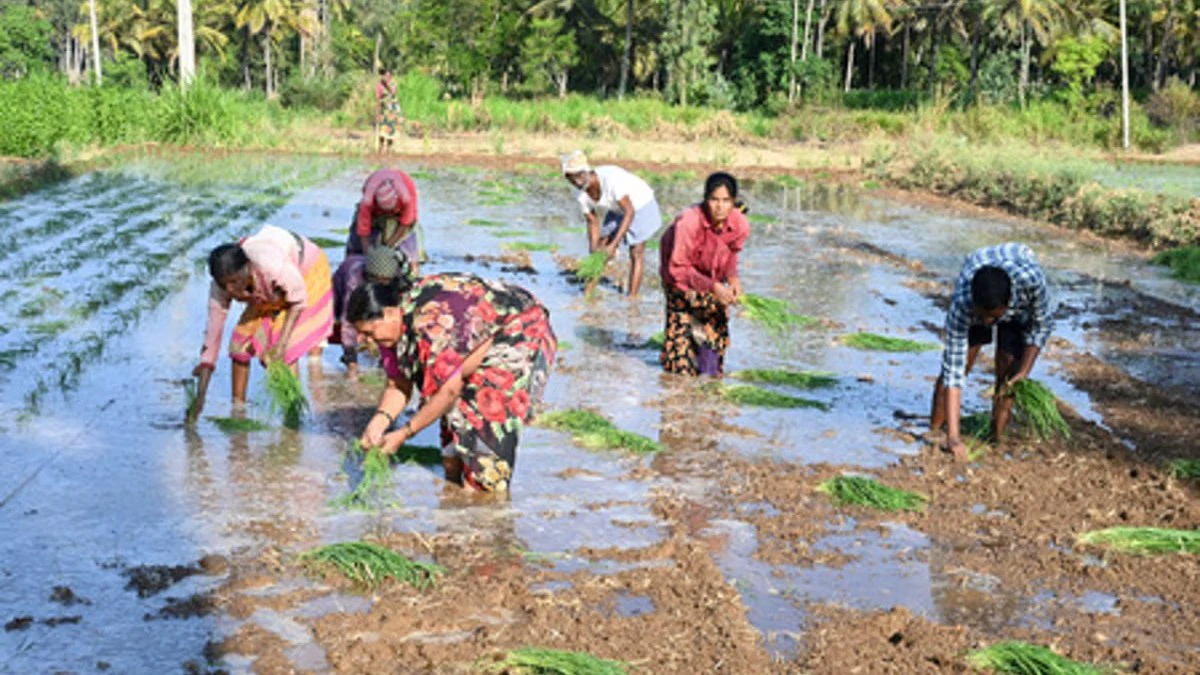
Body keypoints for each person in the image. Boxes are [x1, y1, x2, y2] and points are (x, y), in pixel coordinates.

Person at [347, 269, 557, 492]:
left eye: (369, 333)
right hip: (470, 343)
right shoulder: (391, 333)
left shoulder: (430, 322)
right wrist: (378, 423)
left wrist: (404, 433)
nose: (366, 341)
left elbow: (448, 392)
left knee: (484, 461)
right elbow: (399, 384)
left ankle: (485, 502)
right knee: (452, 459)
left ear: (389, 313)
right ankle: (456, 501)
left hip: (518, 328)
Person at [930, 242, 1054, 460]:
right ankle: (935, 431)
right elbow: (954, 372)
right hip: (978, 266)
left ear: (1008, 304)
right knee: (965, 362)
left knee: (1008, 369)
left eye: (994, 317)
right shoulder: (963, 304)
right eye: (982, 316)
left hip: (1017, 282)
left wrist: (1023, 371)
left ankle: (996, 436)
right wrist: (954, 437)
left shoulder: (1031, 284)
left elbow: (1040, 326)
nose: (988, 322)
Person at [191, 224, 334, 410]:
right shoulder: (221, 287)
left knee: (283, 352)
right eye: (224, 284)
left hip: (305, 273)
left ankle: (292, 411)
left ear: (247, 268)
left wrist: (282, 343)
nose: (230, 290)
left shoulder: (271, 266)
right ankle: (238, 408)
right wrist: (200, 396)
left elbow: (298, 300)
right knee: (239, 345)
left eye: (234, 282)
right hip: (267, 290)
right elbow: (212, 336)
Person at [658, 172, 750, 377]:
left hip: (711, 277)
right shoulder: (689, 222)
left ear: (734, 202)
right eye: (714, 200)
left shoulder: (739, 224)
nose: (720, 207)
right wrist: (713, 287)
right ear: (705, 199)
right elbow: (678, 268)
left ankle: (707, 380)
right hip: (679, 277)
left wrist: (733, 280)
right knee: (679, 362)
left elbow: (731, 257)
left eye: (726, 201)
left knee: (713, 338)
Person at [561, 150, 661, 297]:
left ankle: (631, 298)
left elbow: (630, 212)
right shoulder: (580, 194)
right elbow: (592, 221)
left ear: (587, 171)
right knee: (601, 249)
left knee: (636, 251)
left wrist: (614, 245)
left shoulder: (611, 181)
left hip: (640, 204)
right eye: (571, 178)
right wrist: (593, 248)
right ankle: (588, 292)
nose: (576, 181)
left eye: (579, 175)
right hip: (617, 207)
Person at [331, 245, 410, 377]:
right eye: (377, 280)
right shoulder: (354, 279)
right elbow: (348, 321)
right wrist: (352, 363)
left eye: (385, 281)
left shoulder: (397, 277)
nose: (381, 284)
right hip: (341, 283)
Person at [375, 68, 402, 153]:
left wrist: (387, 85)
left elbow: (393, 92)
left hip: (392, 110)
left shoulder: (393, 84)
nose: (387, 77)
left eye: (388, 76)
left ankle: (389, 148)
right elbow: (378, 99)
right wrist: (378, 112)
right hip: (384, 110)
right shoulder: (379, 85)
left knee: (391, 130)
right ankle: (381, 147)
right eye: (385, 76)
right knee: (382, 130)